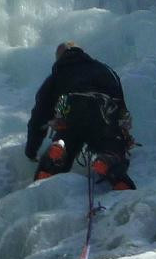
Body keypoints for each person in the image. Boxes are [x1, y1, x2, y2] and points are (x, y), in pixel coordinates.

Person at [24, 42, 135, 189]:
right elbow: (119, 104)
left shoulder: (56, 76)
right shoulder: (104, 69)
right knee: (111, 145)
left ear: (59, 57)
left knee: (66, 139)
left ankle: (56, 154)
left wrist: (31, 149)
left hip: (70, 115)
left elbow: (39, 114)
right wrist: (122, 131)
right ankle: (108, 161)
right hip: (101, 114)